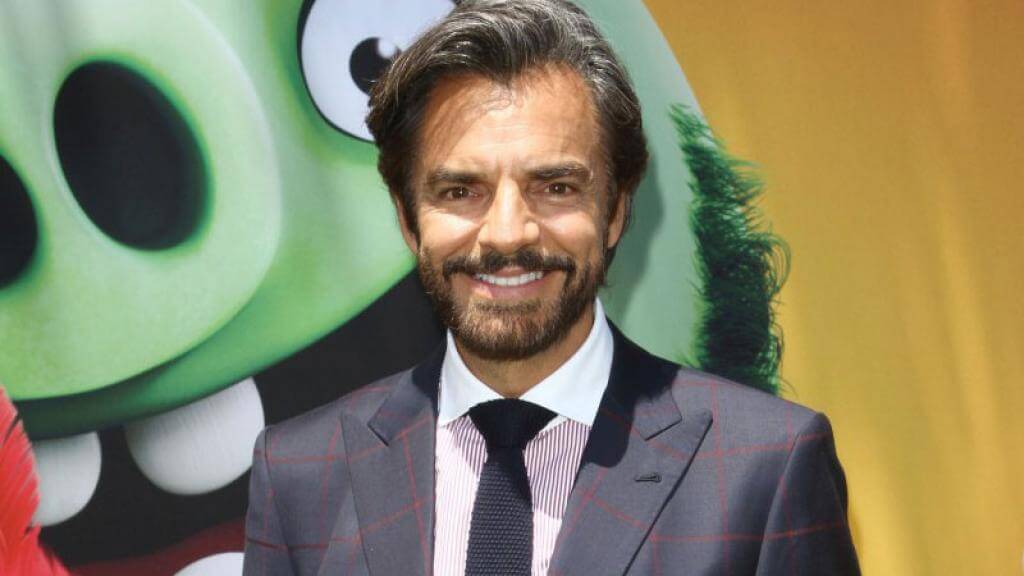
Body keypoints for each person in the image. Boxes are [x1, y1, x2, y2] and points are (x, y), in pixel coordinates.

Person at [242, 0, 860, 574]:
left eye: (555, 187)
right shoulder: (301, 475)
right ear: (408, 220)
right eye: (461, 191)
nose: (508, 233)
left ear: (615, 211)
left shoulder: (765, 468)